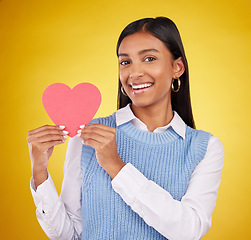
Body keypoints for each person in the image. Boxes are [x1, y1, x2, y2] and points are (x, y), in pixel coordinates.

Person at [27, 17, 224, 240]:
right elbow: (70, 235)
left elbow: (189, 231)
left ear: (177, 67)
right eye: (125, 62)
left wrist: (116, 167)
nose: (134, 73)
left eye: (149, 58)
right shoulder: (88, 135)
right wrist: (40, 174)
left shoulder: (204, 147)